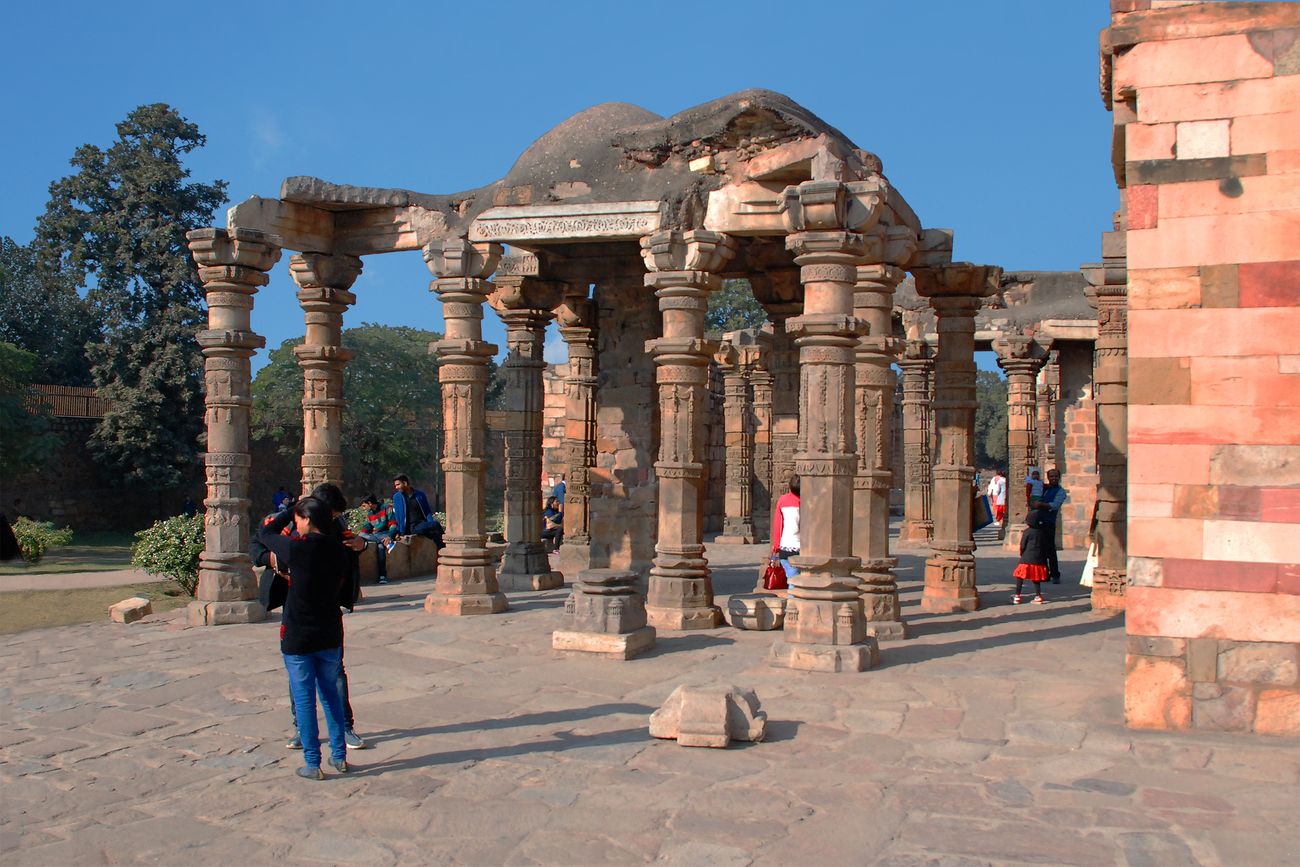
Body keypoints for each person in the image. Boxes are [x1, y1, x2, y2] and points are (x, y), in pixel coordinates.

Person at [251, 484, 367, 752]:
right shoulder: (291, 529)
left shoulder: (332, 530)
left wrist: (360, 545)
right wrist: (272, 559)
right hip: (295, 608)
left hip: (326, 608)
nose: (336, 519)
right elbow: (258, 544)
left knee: (334, 671)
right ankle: (302, 729)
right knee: (300, 675)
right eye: (333, 513)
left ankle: (345, 727)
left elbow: (349, 547)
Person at [391, 474, 444, 548]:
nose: (396, 487)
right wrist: (398, 531)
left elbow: (427, 511)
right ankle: (445, 548)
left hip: (421, 524)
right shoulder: (397, 497)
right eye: (395, 485)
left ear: (405, 483)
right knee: (435, 525)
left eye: (398, 485)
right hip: (411, 528)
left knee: (434, 531)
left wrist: (430, 522)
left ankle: (441, 551)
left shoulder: (420, 495)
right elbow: (397, 516)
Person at [1036, 468, 1070, 584]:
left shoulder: (1060, 491)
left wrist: (1041, 504)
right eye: (1051, 476)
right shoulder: (1045, 489)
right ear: (1048, 477)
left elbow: (1055, 505)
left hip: (1049, 523)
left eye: (1055, 476)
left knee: (1050, 550)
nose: (1053, 478)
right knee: (1041, 549)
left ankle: (1055, 574)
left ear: (1059, 478)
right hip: (1039, 521)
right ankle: (1044, 573)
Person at [1011, 510, 1051, 605]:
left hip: (1027, 558)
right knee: (1036, 578)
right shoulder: (1042, 533)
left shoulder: (1027, 532)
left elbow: (1023, 545)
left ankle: (1017, 596)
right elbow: (1045, 547)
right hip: (1038, 559)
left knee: (1020, 577)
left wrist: (1022, 553)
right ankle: (1038, 596)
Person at [358, 494, 397, 584]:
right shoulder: (370, 514)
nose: (363, 508)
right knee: (364, 536)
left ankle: (382, 575)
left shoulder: (387, 508)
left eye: (364, 505)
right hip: (376, 536)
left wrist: (390, 536)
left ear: (370, 503)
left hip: (386, 534)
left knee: (380, 547)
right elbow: (367, 527)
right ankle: (382, 576)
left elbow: (393, 524)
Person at [770, 474, 801, 579]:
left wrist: (776, 548)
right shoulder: (807, 501)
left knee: (792, 581)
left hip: (786, 547)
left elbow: (778, 526)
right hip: (803, 548)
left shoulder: (782, 500)